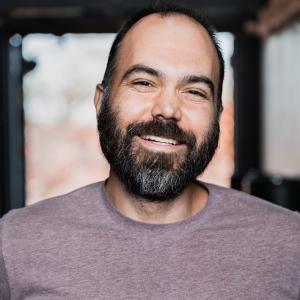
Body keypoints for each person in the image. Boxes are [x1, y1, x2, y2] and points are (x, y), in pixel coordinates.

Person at [1, 3, 300, 299]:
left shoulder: (290, 245)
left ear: (217, 117)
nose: (167, 109)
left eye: (195, 92)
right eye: (144, 82)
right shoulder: (14, 245)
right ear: (100, 102)